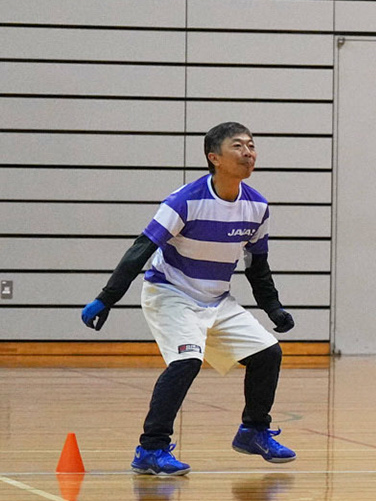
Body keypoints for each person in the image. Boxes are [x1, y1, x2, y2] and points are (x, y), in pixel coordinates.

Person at [79, 122, 296, 476]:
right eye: (238, 146)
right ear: (215, 158)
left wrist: (273, 308)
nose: (248, 153)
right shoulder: (184, 201)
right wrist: (106, 298)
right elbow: (141, 249)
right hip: (170, 293)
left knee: (268, 354)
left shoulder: (257, 206)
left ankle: (253, 432)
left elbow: (258, 266)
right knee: (186, 361)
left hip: (217, 300)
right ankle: (151, 448)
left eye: (251, 145)